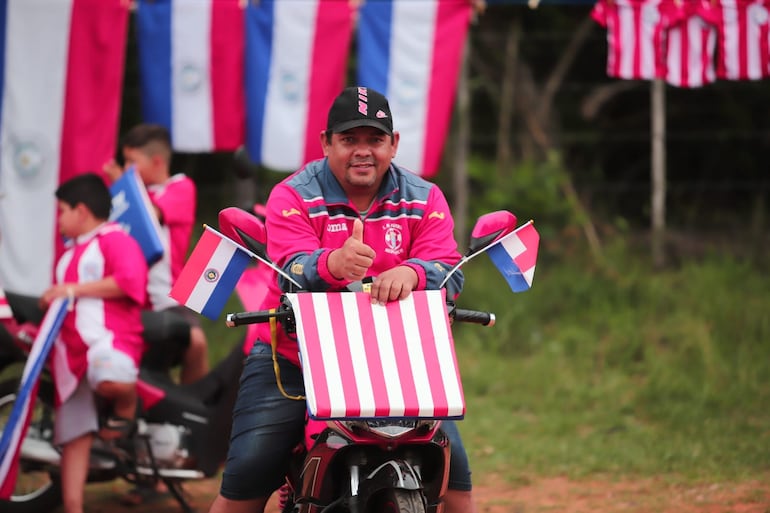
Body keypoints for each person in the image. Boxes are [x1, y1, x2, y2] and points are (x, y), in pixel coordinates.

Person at [208, 86, 477, 513]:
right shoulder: (292, 195)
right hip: (295, 361)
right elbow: (290, 268)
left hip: (401, 362)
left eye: (374, 139)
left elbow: (451, 269)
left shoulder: (426, 198)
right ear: (326, 143)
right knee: (247, 478)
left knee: (456, 482)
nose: (362, 152)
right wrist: (333, 263)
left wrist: (412, 271)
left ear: (394, 144)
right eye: (349, 140)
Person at [39, 173, 148, 513]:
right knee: (74, 437)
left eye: (62, 211)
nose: (59, 219)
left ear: (81, 211)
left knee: (111, 380)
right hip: (69, 351)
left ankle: (127, 406)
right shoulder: (71, 252)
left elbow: (131, 281)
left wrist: (71, 290)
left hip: (108, 341)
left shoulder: (114, 239)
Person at [103, 124, 208, 385]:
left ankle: (193, 409)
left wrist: (123, 187)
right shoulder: (129, 193)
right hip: (130, 295)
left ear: (157, 161)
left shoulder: (179, 187)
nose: (127, 169)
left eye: (132, 162)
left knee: (196, 343)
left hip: (166, 297)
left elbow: (151, 217)